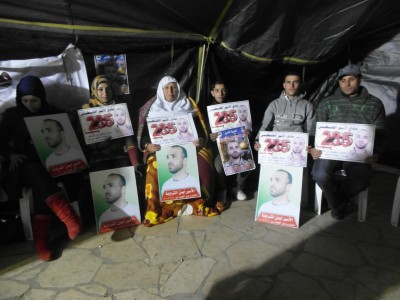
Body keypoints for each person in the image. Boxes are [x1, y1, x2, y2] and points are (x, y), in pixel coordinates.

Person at [0, 75, 81, 261]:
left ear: (42, 97)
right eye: (25, 101)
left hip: (50, 164)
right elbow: (1, 141)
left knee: (40, 185)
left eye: (34, 100)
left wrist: (75, 159)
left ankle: (41, 242)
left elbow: (70, 139)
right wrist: (10, 154)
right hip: (22, 165)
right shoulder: (12, 116)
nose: (30, 105)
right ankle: (68, 217)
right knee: (34, 171)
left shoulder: (54, 113)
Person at [137, 76, 224, 226]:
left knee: (201, 163)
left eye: (174, 87)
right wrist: (147, 146)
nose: (171, 91)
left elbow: (202, 130)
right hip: (162, 149)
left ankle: (195, 203)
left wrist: (201, 140)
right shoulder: (152, 108)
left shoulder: (188, 105)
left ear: (178, 88)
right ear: (161, 90)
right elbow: (144, 135)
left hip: (189, 148)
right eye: (167, 88)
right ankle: (160, 207)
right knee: (153, 166)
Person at [310, 64, 386, 220]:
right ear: (338, 82)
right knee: (319, 174)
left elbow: (381, 133)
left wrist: (376, 152)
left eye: (352, 79)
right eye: (343, 80)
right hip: (329, 152)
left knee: (362, 179)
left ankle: (336, 202)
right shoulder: (327, 103)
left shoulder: (374, 104)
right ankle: (340, 204)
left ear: (359, 80)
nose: (347, 84)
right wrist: (313, 148)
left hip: (358, 154)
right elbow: (314, 130)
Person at [82, 75, 141, 174]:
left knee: (126, 180)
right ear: (94, 90)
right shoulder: (87, 110)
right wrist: (97, 146)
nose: (105, 93)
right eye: (100, 89)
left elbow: (128, 137)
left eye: (107, 89)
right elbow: (83, 139)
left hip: (120, 151)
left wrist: (135, 163)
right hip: (98, 154)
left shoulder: (120, 108)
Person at [208, 81, 253, 203]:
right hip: (220, 146)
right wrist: (210, 135)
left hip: (238, 141)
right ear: (212, 93)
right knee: (218, 166)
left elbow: (247, 126)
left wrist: (248, 131)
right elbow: (205, 133)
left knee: (249, 160)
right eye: (217, 90)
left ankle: (237, 187)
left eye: (223, 90)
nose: (220, 93)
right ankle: (222, 190)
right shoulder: (208, 110)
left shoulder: (237, 107)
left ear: (226, 91)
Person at [254, 71, 314, 144]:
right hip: (275, 145)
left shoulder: (308, 106)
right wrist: (258, 140)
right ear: (284, 85)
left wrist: (310, 144)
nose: (291, 86)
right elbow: (265, 126)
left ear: (300, 85)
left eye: (295, 82)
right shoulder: (274, 104)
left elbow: (310, 130)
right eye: (288, 82)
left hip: (296, 145)